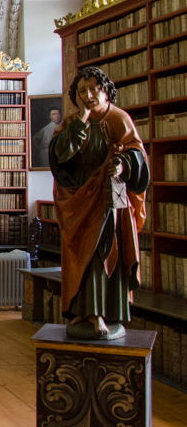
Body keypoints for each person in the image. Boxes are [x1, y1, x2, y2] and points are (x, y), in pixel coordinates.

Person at [49, 67, 149, 339]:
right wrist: (81, 121)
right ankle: (82, 311)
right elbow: (60, 155)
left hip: (108, 196)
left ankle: (102, 314)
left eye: (94, 89)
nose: (89, 95)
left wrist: (122, 165)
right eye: (82, 91)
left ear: (105, 90)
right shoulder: (72, 122)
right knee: (80, 253)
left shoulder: (119, 119)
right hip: (79, 197)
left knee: (103, 252)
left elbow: (137, 156)